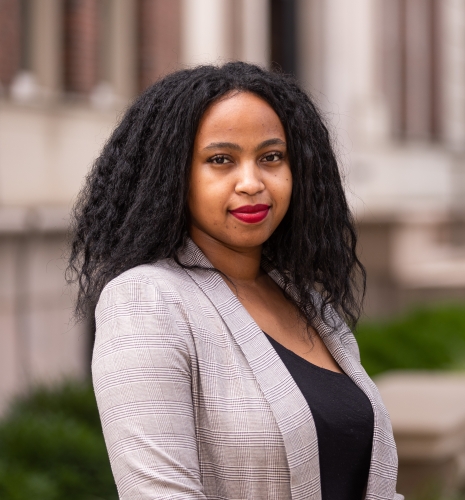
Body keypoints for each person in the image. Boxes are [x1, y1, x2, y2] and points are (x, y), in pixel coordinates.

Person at [68, 62, 403, 500]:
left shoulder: (307, 301)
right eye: (220, 160)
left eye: (271, 157)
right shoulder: (145, 299)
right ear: (173, 176)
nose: (251, 183)